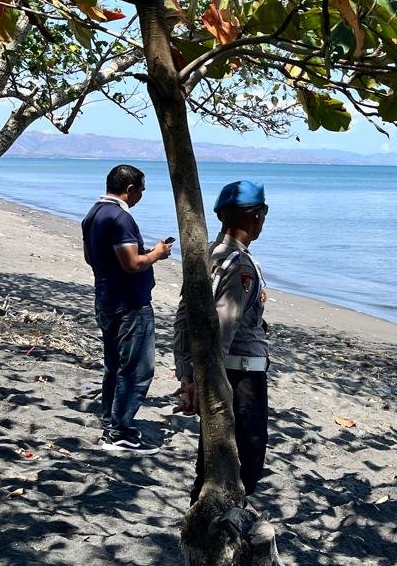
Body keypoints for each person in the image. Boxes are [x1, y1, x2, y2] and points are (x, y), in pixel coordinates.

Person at [173, 180, 270, 502]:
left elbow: (183, 320)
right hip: (240, 376)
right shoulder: (239, 264)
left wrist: (187, 374)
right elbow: (222, 328)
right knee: (246, 461)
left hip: (217, 373)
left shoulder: (206, 256)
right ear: (258, 215)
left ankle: (202, 523)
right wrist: (203, 384)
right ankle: (220, 530)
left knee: (213, 458)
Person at [81, 164, 172, 454]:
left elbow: (92, 257)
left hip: (107, 297)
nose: (142, 195)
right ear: (130, 189)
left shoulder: (93, 213)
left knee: (114, 366)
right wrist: (156, 254)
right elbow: (132, 264)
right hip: (129, 304)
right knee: (137, 369)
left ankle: (111, 421)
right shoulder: (120, 218)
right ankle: (119, 431)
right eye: (141, 189)